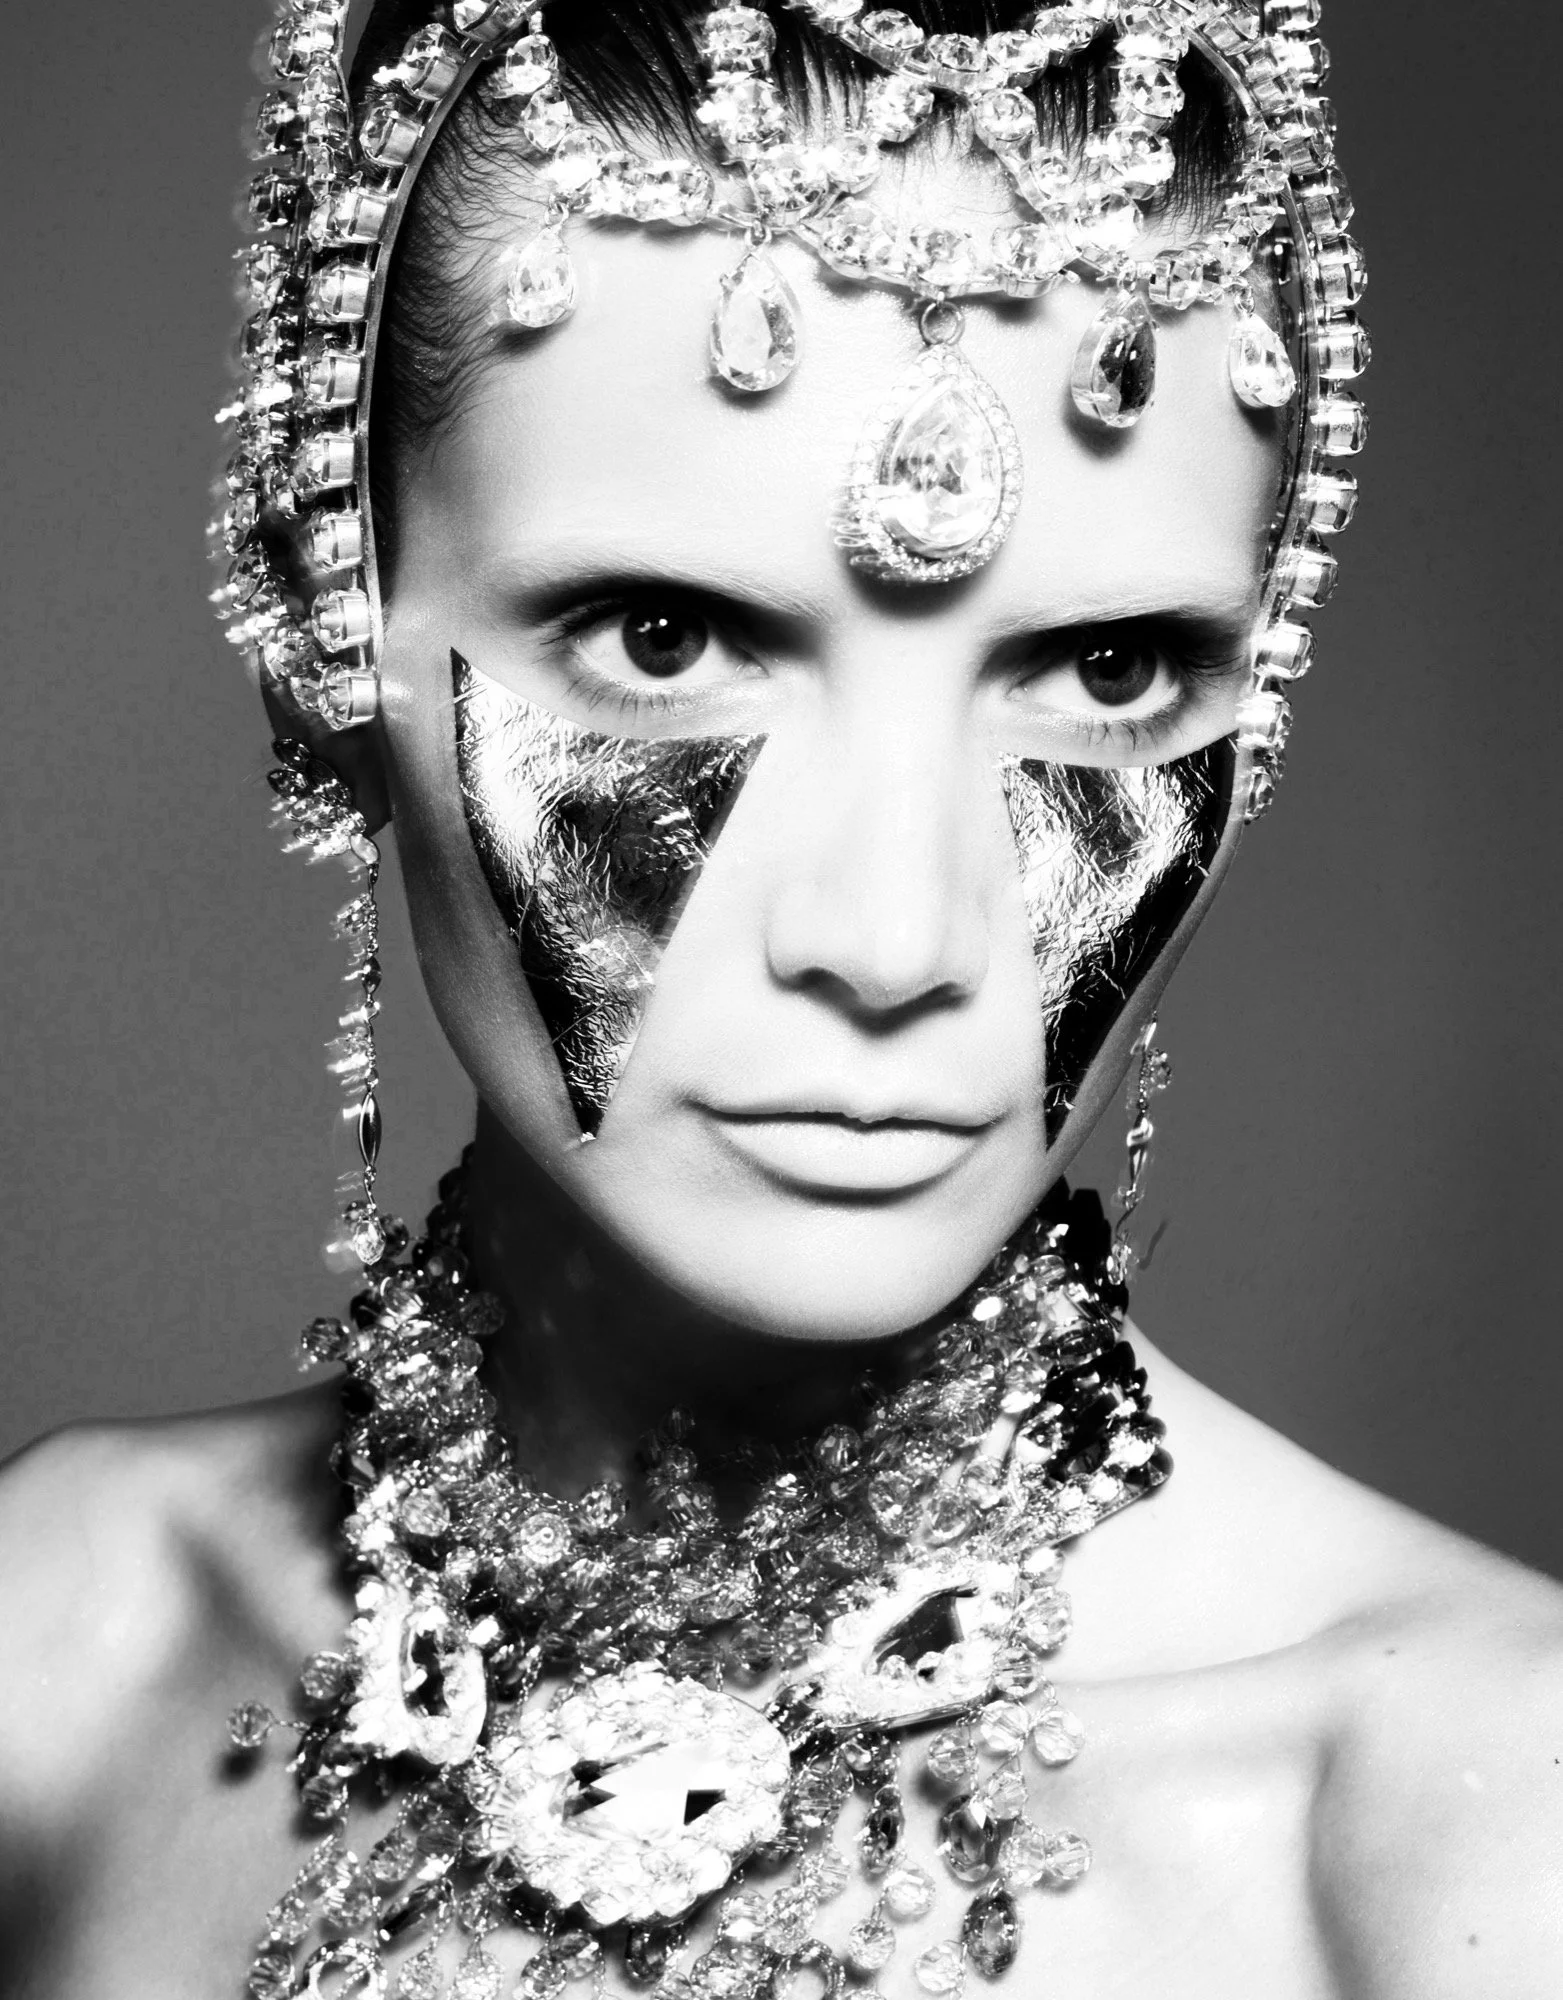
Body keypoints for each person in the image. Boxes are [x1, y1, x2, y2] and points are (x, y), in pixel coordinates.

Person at [1, 3, 1559, 1996]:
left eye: (1102, 673)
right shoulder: (65, 1646)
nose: (900, 938)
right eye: (666, 639)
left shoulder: (1467, 1838)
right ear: (321, 624)